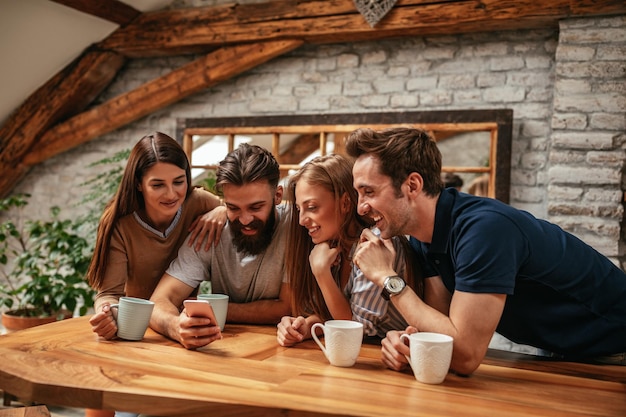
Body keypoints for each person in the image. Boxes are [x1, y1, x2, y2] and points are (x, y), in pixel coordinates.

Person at [346, 127, 626, 375]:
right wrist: (405, 342)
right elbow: (441, 333)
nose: (361, 208)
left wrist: (387, 277)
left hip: (613, 347)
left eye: (368, 191)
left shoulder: (484, 230)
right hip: (561, 349)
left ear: (413, 185)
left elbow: (464, 355)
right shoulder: (423, 237)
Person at [149, 143, 292, 349]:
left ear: (278, 195)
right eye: (233, 207)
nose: (244, 219)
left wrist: (211, 309)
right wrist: (176, 326)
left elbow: (287, 307)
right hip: (222, 348)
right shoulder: (210, 230)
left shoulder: (296, 228)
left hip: (283, 351)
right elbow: (159, 301)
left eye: (256, 207)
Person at [88, 132, 224, 340]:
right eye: (158, 185)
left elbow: (242, 210)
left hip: (189, 324)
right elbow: (108, 294)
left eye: (179, 182)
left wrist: (222, 210)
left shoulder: (199, 202)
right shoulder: (119, 224)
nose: (171, 194)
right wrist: (107, 314)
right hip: (140, 331)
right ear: (138, 184)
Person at [276, 154, 422, 347]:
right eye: (299, 209)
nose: (302, 220)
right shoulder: (330, 247)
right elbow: (332, 314)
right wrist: (306, 325)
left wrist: (321, 273)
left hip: (390, 361)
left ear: (345, 203)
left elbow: (355, 331)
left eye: (312, 207)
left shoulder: (374, 244)